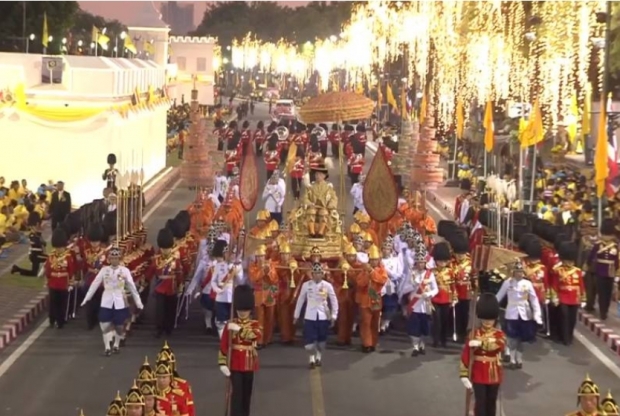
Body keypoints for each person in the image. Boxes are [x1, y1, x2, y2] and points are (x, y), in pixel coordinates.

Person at [81, 246, 143, 356]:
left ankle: (116, 345)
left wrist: (138, 302)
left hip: (119, 301)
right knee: (105, 324)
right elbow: (94, 284)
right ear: (109, 259)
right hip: (106, 300)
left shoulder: (125, 271)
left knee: (119, 326)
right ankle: (107, 347)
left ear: (120, 259)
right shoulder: (104, 270)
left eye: (116, 258)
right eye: (112, 258)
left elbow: (132, 287)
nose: (114, 260)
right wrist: (87, 298)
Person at [218, 285, 262, 416]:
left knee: (246, 395)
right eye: (240, 310)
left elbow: (256, 336)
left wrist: (240, 330)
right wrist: (222, 363)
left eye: (245, 310)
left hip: (249, 363)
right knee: (236, 394)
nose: (242, 313)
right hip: (235, 363)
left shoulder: (255, 324)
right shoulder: (230, 324)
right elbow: (224, 345)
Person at [459, 293, 506, 416]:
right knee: (480, 403)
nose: (487, 322)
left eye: (490, 319)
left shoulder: (499, 334)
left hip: (494, 373)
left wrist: (480, 343)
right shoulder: (474, 333)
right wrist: (463, 375)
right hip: (478, 373)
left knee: (491, 403)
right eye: (485, 319)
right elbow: (466, 354)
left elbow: (498, 346)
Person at [495, 258, 543, 369]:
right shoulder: (508, 283)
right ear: (513, 272)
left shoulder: (528, 283)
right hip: (511, 313)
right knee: (512, 337)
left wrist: (537, 315)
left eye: (521, 272)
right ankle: (512, 359)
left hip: (525, 313)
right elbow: (499, 296)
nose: (519, 274)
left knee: (521, 338)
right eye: (517, 271)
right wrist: (488, 304)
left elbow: (534, 299)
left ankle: (519, 359)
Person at [294, 262, 339, 368]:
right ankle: (311, 358)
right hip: (310, 316)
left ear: (322, 274)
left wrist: (334, 315)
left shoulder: (327, 285)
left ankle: (318, 356)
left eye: (319, 273)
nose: (317, 275)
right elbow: (300, 300)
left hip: (323, 315)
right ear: (312, 274)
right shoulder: (306, 285)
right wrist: (296, 315)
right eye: (315, 273)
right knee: (309, 343)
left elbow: (334, 301)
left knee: (321, 341)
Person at [399, 246, 438, 357]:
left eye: (422, 262)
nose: (420, 264)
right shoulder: (411, 274)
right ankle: (415, 346)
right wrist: (413, 286)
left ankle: (422, 344)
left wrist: (429, 294)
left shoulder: (430, 275)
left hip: (425, 304)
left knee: (424, 327)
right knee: (414, 327)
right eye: (419, 262)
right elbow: (405, 288)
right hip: (414, 304)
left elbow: (436, 289)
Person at [551, 241, 585, 346]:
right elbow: (555, 285)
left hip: (574, 298)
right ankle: (565, 338)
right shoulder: (558, 270)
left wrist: (583, 299)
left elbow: (581, 285)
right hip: (562, 297)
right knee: (564, 317)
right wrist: (554, 297)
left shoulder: (577, 271)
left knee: (572, 319)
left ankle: (569, 336)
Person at [355, 245, 388, 352]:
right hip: (365, 297)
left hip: (376, 297)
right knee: (365, 322)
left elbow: (382, 280)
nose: (374, 262)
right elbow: (360, 283)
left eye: (376, 260)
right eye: (372, 260)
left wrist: (372, 272)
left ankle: (373, 342)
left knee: (375, 322)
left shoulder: (382, 270)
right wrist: (367, 273)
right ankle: (367, 343)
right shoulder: (364, 270)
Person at [210, 240, 245, 338]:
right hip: (221, 296)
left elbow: (241, 282)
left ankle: (232, 339)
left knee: (233, 319)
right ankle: (223, 339)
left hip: (232, 296)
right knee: (221, 320)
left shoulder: (237, 266)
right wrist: (216, 289)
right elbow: (213, 281)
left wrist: (238, 272)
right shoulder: (218, 265)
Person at [153, 227, 183, 338]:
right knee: (159, 310)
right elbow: (151, 271)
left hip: (172, 287)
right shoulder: (157, 259)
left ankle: (168, 327)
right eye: (163, 248)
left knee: (171, 308)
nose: (165, 251)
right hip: (160, 286)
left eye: (167, 248)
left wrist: (180, 284)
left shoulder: (175, 259)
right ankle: (159, 328)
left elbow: (179, 272)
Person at [586, 218, 618, 320]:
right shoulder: (598, 244)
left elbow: (617, 260)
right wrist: (586, 266)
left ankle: (606, 310)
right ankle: (602, 311)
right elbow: (590, 257)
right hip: (599, 270)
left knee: (608, 293)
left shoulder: (616, 246)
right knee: (601, 292)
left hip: (611, 271)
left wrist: (618, 274)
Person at [44, 227, 76, 329]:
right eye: (57, 247)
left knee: (62, 304)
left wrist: (71, 281)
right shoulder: (51, 256)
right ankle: (52, 319)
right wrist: (47, 278)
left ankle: (60, 321)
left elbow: (71, 269)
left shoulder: (68, 256)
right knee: (52, 303)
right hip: (53, 283)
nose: (59, 249)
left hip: (63, 283)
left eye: (60, 247)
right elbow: (48, 268)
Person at [248, 245, 278, 348]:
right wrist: (262, 271)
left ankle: (268, 339)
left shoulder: (270, 265)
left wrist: (269, 271)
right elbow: (253, 278)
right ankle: (259, 340)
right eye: (258, 256)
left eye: (262, 256)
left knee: (270, 317)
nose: (260, 258)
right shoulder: (253, 266)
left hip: (269, 293)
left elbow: (274, 279)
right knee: (259, 317)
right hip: (258, 294)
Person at [301, 161, 338, 238]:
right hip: (313, 206)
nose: (317, 176)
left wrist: (330, 205)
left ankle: (321, 232)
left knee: (323, 213)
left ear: (324, 176)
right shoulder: (310, 187)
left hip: (324, 207)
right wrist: (309, 203)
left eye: (320, 174)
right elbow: (305, 198)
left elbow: (334, 198)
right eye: (316, 174)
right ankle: (312, 231)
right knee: (311, 211)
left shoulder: (328, 187)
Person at [431, 241, 457, 348]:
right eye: (439, 261)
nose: (442, 263)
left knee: (445, 320)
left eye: (444, 261)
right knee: (436, 320)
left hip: (446, 298)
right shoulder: (432, 272)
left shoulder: (450, 272)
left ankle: (443, 339)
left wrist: (455, 298)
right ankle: (436, 339)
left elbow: (453, 286)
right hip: (435, 298)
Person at [10, 211, 46, 276]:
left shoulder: (36, 234)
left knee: (33, 273)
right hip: (35, 255)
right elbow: (38, 243)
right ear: (37, 224)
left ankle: (17, 269)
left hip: (37, 255)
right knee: (50, 259)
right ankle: (46, 274)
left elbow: (42, 243)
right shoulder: (33, 234)